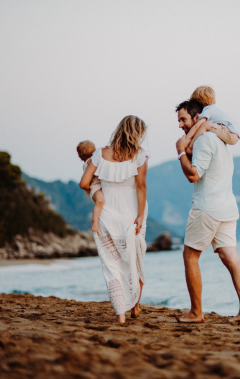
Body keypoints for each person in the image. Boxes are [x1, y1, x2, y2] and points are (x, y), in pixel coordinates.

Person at [174, 100, 240, 323]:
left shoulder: (205, 140)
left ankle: (196, 313)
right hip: (227, 208)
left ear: (197, 117)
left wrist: (181, 153)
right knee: (231, 258)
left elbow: (193, 175)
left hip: (207, 208)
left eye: (183, 119)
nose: (180, 125)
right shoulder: (220, 140)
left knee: (190, 256)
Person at [80, 116, 148, 324]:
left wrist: (97, 193)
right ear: (138, 134)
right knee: (135, 259)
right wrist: (140, 215)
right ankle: (135, 306)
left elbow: (84, 182)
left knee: (112, 265)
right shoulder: (140, 156)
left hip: (107, 213)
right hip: (131, 212)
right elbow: (141, 187)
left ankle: (120, 315)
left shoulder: (100, 154)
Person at [183, 86, 240, 155]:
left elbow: (197, 126)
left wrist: (187, 139)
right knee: (207, 125)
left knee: (205, 125)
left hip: (231, 134)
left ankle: (190, 148)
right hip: (233, 134)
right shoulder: (212, 109)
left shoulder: (208, 110)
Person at [76, 140, 104, 233]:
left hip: (99, 186)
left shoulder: (88, 162)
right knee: (100, 201)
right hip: (95, 187)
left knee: (102, 202)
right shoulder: (90, 162)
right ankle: (95, 222)